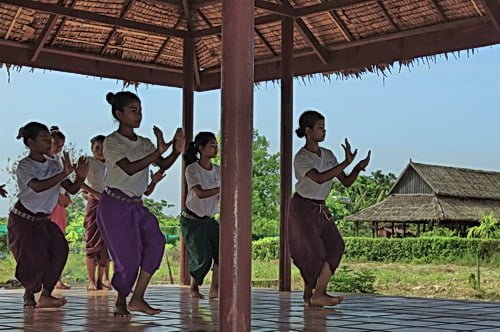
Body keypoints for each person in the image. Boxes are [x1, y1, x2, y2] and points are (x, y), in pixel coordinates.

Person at [97, 91, 185, 317]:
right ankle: (121, 298)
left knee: (156, 242)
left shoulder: (144, 143)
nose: (139, 115)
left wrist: (176, 151)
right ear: (119, 114)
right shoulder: (112, 141)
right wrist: (158, 151)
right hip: (114, 205)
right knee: (128, 258)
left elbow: (162, 163)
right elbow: (129, 167)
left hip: (136, 205)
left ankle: (137, 298)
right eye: (133, 111)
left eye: (140, 110)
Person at [288, 110, 370, 307]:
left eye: (324, 128)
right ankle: (311, 295)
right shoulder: (301, 158)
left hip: (320, 209)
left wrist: (356, 168)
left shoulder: (329, 155)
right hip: (302, 208)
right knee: (313, 253)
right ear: (308, 131)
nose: (324, 132)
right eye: (320, 128)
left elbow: (347, 182)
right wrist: (345, 163)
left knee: (336, 246)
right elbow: (319, 178)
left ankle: (318, 293)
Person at [8, 121, 88, 308]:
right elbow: (37, 186)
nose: (49, 142)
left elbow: (72, 188)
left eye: (49, 139)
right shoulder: (25, 166)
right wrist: (64, 173)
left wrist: (81, 176)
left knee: (60, 250)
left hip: (44, 220)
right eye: (44, 139)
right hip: (24, 219)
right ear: (31, 142)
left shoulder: (54, 163)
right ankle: (29, 293)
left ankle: (46, 294)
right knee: (32, 259)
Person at [180, 132, 220, 299]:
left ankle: (215, 288)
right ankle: (194, 287)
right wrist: (222, 189)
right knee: (202, 258)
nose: (215, 148)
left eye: (216, 145)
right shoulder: (192, 169)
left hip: (210, 220)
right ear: (201, 148)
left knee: (221, 253)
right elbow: (200, 193)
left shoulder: (218, 170)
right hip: (193, 220)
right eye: (211, 145)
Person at [81, 135, 112, 291]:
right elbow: (79, 183)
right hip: (95, 203)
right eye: (96, 148)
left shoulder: (114, 164)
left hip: (111, 204)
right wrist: (94, 193)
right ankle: (91, 281)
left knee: (106, 244)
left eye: (102, 148)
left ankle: (102, 279)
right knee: (92, 242)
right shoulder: (88, 162)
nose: (100, 151)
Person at [48, 126, 72, 290]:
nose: (57, 148)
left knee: (59, 243)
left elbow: (66, 185)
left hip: (60, 207)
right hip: (48, 206)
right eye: (55, 144)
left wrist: (67, 198)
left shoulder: (58, 161)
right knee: (46, 243)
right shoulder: (43, 161)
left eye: (61, 145)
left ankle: (56, 278)